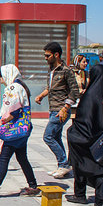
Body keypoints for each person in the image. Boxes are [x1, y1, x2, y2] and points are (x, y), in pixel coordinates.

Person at [0, 65, 40, 198]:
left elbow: (14, 111)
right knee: (22, 158)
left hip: (13, 130)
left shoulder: (13, 88)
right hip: (22, 129)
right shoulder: (21, 86)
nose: (1, 81)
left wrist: (2, 121)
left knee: (4, 158)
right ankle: (33, 186)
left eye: (1, 78)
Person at [66, 64, 103, 206]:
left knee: (79, 162)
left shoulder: (90, 95)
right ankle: (100, 200)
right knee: (101, 168)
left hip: (84, 139)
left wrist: (72, 131)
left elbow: (84, 121)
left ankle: (80, 194)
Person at [35, 42, 79, 179]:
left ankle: (64, 165)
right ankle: (62, 165)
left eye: (47, 55)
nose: (45, 58)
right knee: (56, 137)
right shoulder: (52, 70)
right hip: (53, 109)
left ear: (56, 55)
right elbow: (51, 88)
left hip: (60, 110)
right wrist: (41, 96)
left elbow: (74, 91)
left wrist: (65, 108)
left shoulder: (66, 70)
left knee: (48, 137)